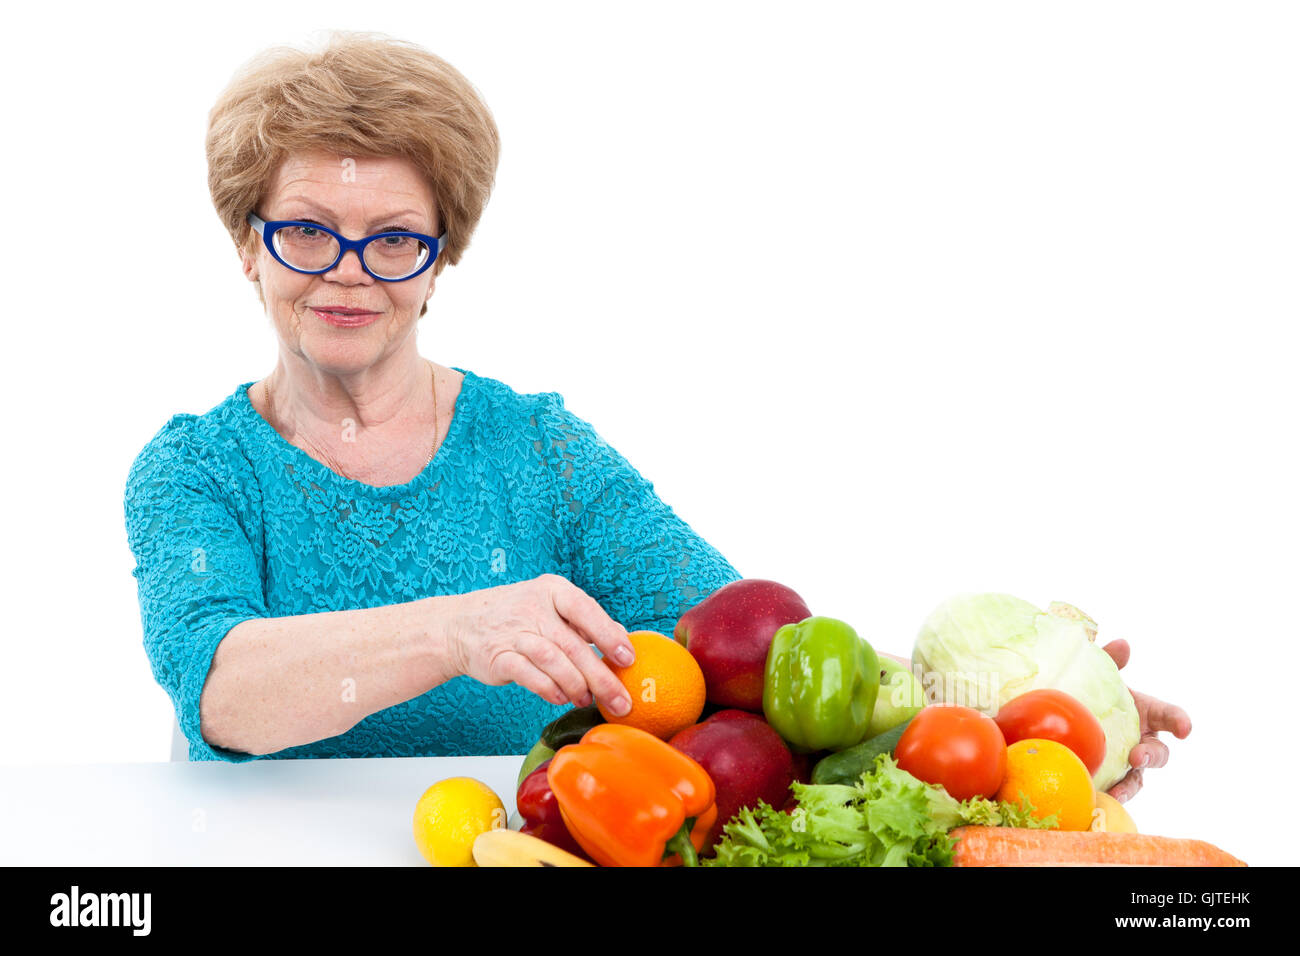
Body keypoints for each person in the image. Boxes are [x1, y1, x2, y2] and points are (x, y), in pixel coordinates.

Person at [123, 31, 1185, 799]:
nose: (348, 272)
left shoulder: (539, 450)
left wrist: (1003, 726)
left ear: (442, 260)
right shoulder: (195, 469)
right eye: (307, 229)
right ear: (247, 244)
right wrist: (456, 626)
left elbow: (757, 656)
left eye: (394, 237)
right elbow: (220, 692)